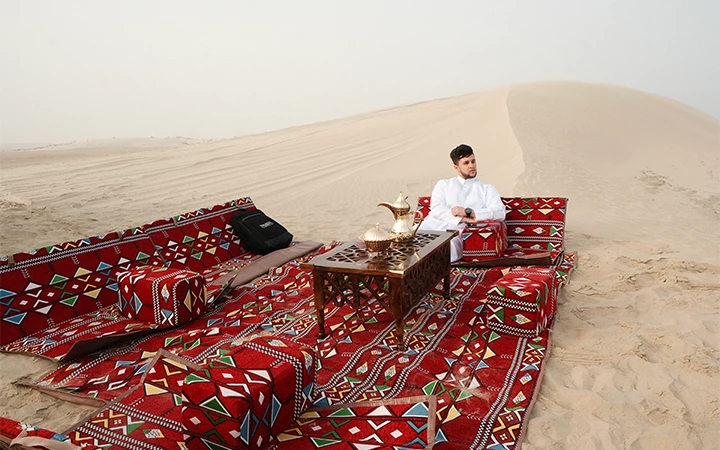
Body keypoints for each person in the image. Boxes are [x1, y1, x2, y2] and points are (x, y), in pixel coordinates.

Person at [418, 144, 506, 262]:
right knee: (408, 239)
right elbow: (436, 209)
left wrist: (469, 212)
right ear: (456, 167)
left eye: (473, 161)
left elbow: (499, 212)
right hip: (431, 225)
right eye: (466, 163)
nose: (471, 166)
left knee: (447, 250)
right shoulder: (443, 185)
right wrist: (463, 218)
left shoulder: (487, 189)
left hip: (457, 232)